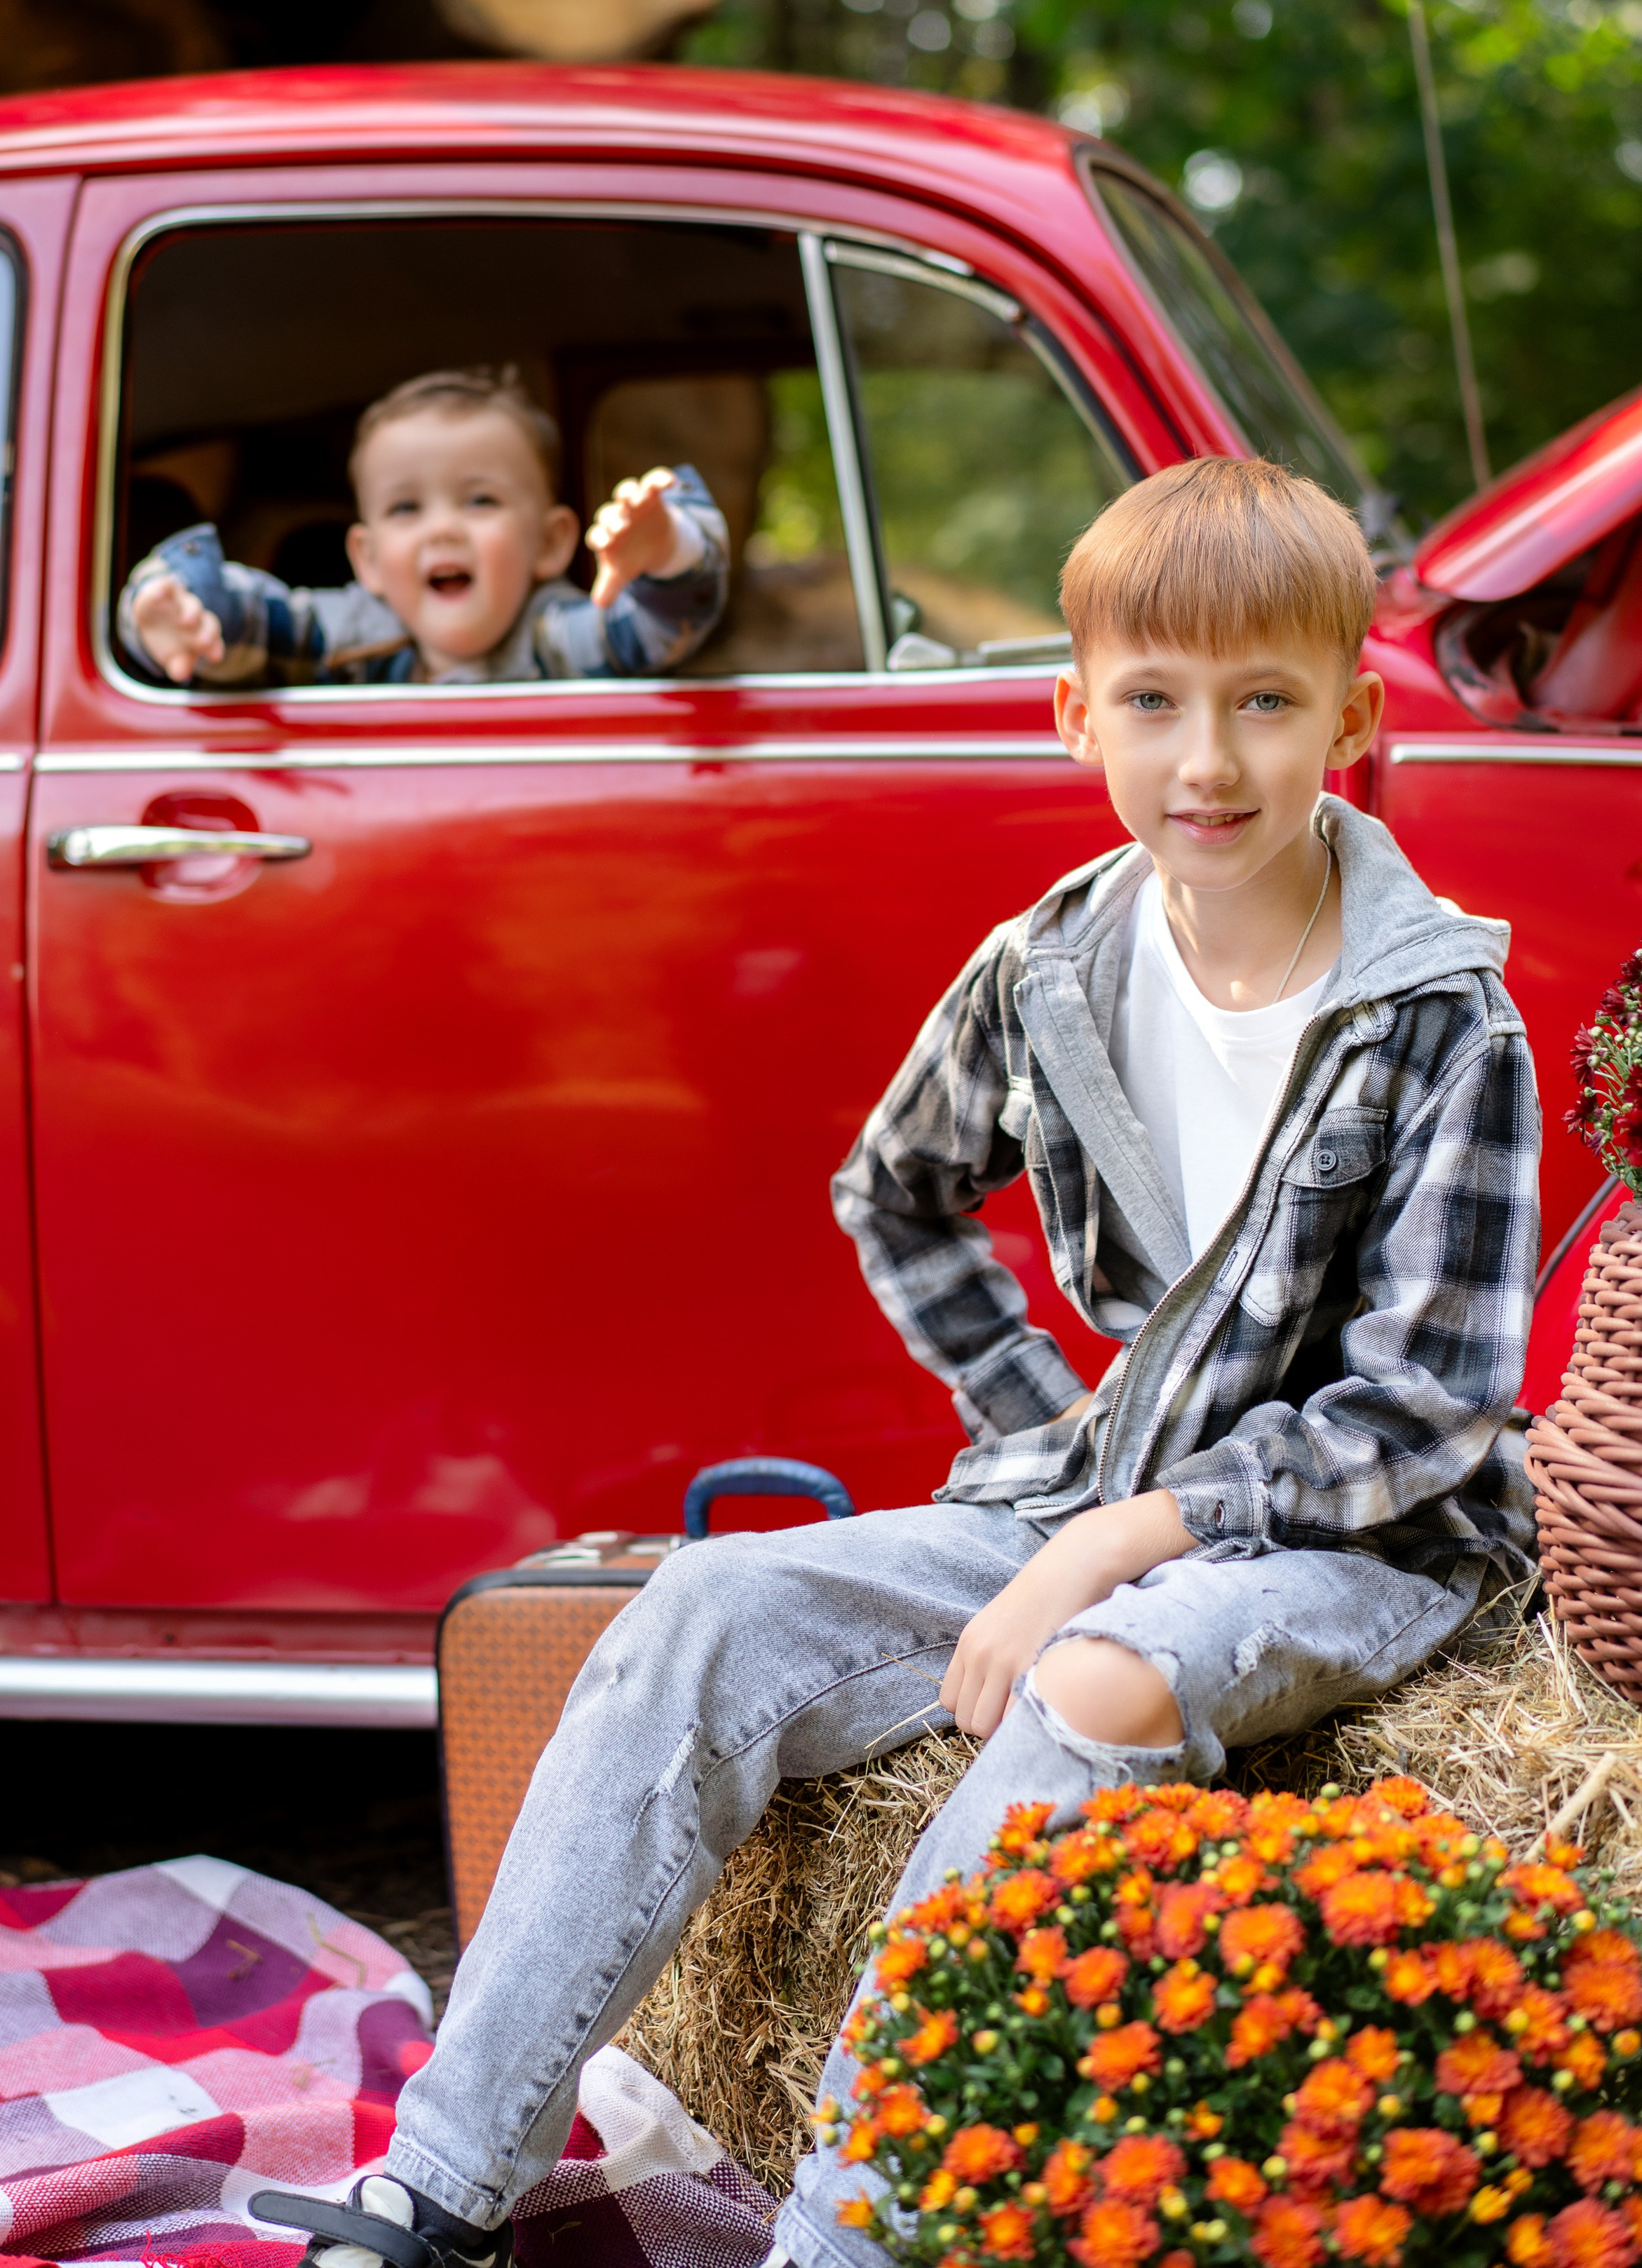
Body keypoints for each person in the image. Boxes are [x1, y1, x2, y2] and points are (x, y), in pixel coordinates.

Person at [250, 456, 1540, 2268]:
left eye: (1267, 702)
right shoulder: (1053, 971)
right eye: (1157, 703)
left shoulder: (1435, 1017)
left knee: (1085, 1687)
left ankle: (843, 2238)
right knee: (697, 1611)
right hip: (1100, 1482)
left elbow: (1426, 1409)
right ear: (1074, 712)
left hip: (1362, 1544)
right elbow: (897, 1188)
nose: (1212, 762)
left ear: (1355, 710)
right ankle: (442, 2187)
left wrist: (1107, 1536)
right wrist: (1040, 1437)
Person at [116, 367, 729, 686]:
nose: (444, 530)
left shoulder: (557, 637)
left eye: (480, 501)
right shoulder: (350, 631)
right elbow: (254, 621)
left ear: (550, 543)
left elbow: (659, 626)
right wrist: (173, 608)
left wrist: (669, 547)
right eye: (407, 509)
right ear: (368, 559)